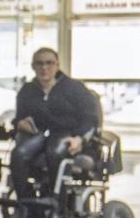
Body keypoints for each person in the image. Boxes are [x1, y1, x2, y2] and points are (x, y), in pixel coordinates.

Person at [9, 48, 98, 199]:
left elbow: (90, 119)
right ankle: (25, 203)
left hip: (67, 133)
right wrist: (20, 123)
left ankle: (57, 203)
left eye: (49, 63)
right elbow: (19, 118)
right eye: (39, 63)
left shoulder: (75, 88)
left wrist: (80, 138)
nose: (44, 68)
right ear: (33, 66)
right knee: (18, 154)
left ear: (57, 65)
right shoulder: (27, 91)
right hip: (38, 134)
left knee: (55, 153)